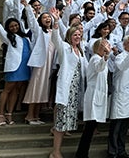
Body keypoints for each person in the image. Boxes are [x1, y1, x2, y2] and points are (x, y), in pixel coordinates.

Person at [0, 7, 32, 126]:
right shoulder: (9, 37)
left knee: (16, 91)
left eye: (16, 25)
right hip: (14, 68)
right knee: (7, 90)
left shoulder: (25, 38)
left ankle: (9, 114)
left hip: (24, 67)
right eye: (11, 26)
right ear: (8, 28)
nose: (14, 28)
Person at [49, 16, 88, 158]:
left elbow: (87, 70)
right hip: (66, 90)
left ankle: (58, 149)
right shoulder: (65, 48)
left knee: (65, 124)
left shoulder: (81, 52)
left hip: (75, 92)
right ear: (69, 36)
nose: (77, 37)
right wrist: (56, 24)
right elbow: (56, 40)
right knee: (60, 124)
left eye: (79, 35)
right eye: (74, 35)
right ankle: (55, 152)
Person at [76, 39, 111, 158]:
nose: (106, 49)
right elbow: (99, 67)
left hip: (99, 94)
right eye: (104, 47)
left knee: (91, 129)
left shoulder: (101, 59)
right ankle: (81, 154)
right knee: (89, 128)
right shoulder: (95, 58)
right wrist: (106, 56)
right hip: (93, 95)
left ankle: (83, 153)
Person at [108, 35, 129, 158]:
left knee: (124, 129)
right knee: (116, 127)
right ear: (125, 45)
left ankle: (121, 151)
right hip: (121, 97)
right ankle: (112, 152)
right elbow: (122, 67)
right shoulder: (120, 57)